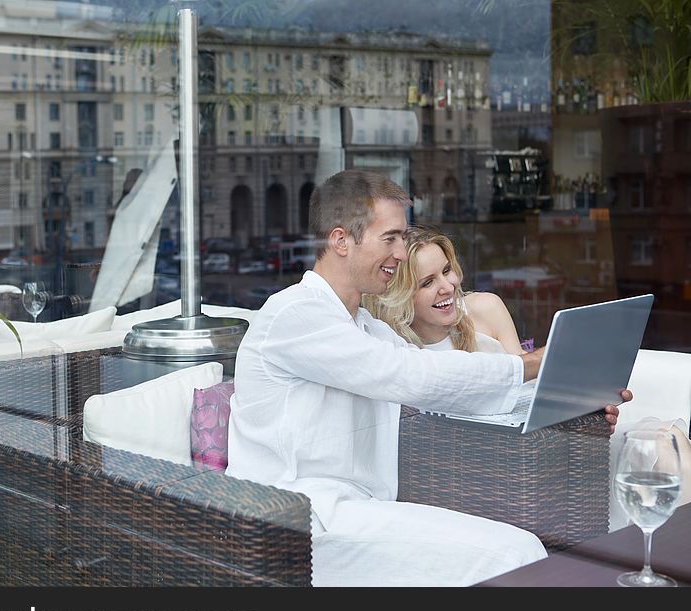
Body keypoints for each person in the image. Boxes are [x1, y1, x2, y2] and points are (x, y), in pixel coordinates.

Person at [226, 170, 552, 587]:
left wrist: (564, 391)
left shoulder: (364, 327)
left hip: (356, 512)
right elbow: (412, 376)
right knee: (517, 554)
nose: (401, 252)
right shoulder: (295, 315)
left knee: (520, 549)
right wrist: (528, 365)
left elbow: (442, 384)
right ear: (341, 240)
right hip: (296, 522)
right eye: (391, 238)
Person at [363, 224, 630, 426]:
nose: (448, 287)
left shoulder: (486, 308)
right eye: (427, 282)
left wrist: (585, 406)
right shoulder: (392, 349)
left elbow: (526, 391)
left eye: (446, 271)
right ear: (399, 297)